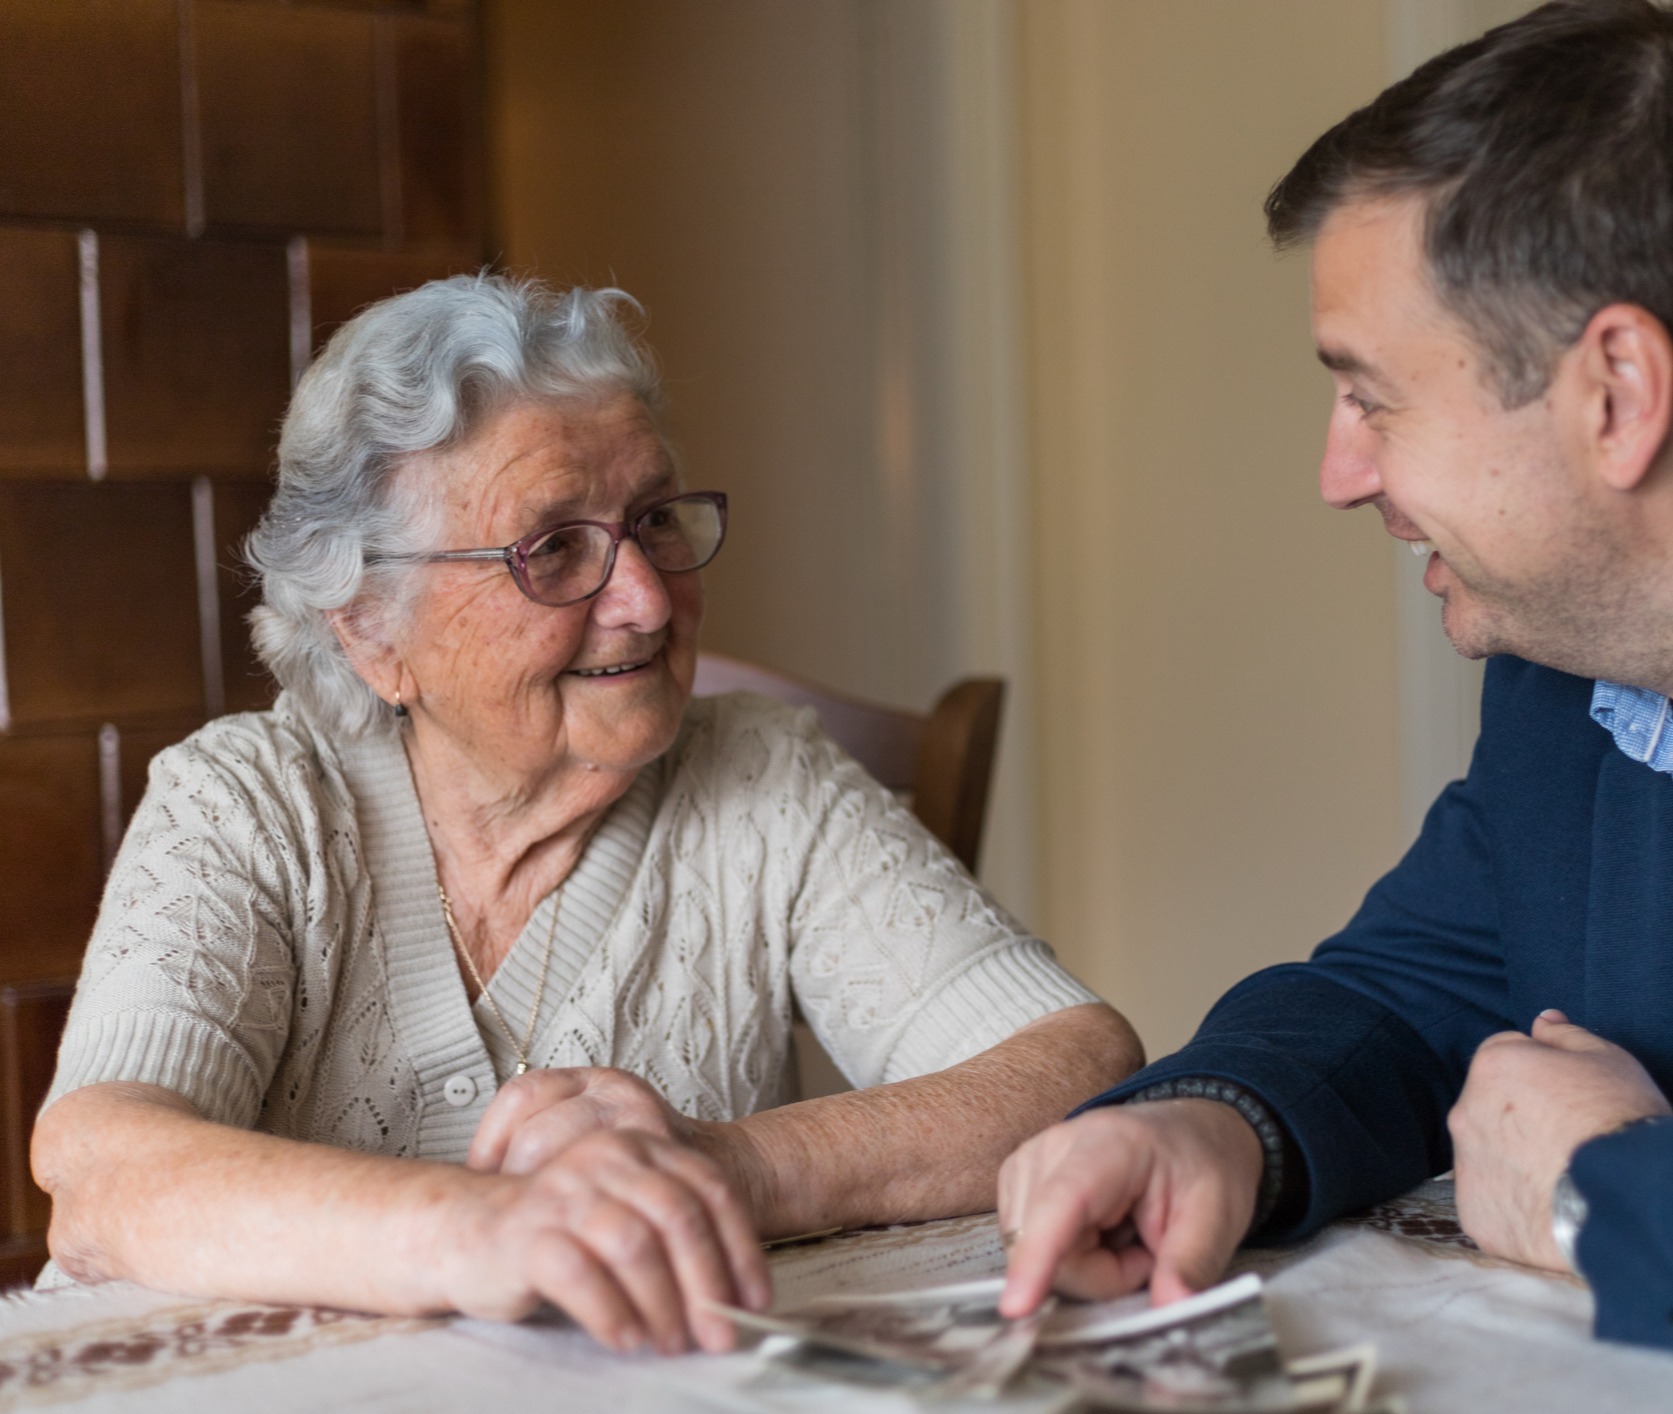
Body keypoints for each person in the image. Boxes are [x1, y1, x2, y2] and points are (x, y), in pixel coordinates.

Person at [33, 275, 1140, 1355]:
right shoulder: (246, 805)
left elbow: (1077, 1062)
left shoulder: (762, 780)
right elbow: (103, 1171)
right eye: (553, 547)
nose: (647, 598)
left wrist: (729, 1166)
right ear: (371, 628)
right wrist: (482, 1226)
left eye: (653, 519)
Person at [997, 0, 1673, 1352]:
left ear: (1615, 393)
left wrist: (1607, 1195)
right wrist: (1209, 1124)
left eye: (1371, 396)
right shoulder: (1566, 677)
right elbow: (1410, 984)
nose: (1338, 474)